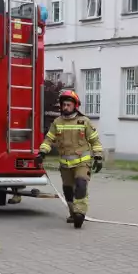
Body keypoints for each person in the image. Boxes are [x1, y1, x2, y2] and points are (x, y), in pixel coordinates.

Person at [37, 90, 103, 229]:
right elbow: (49, 139)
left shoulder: (84, 122)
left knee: (80, 185)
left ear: (75, 106)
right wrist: (42, 152)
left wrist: (98, 157)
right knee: (68, 190)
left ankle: (80, 213)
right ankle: (72, 212)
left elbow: (95, 141)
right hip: (65, 165)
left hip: (82, 162)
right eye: (63, 105)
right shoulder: (57, 122)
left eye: (68, 105)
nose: (65, 107)